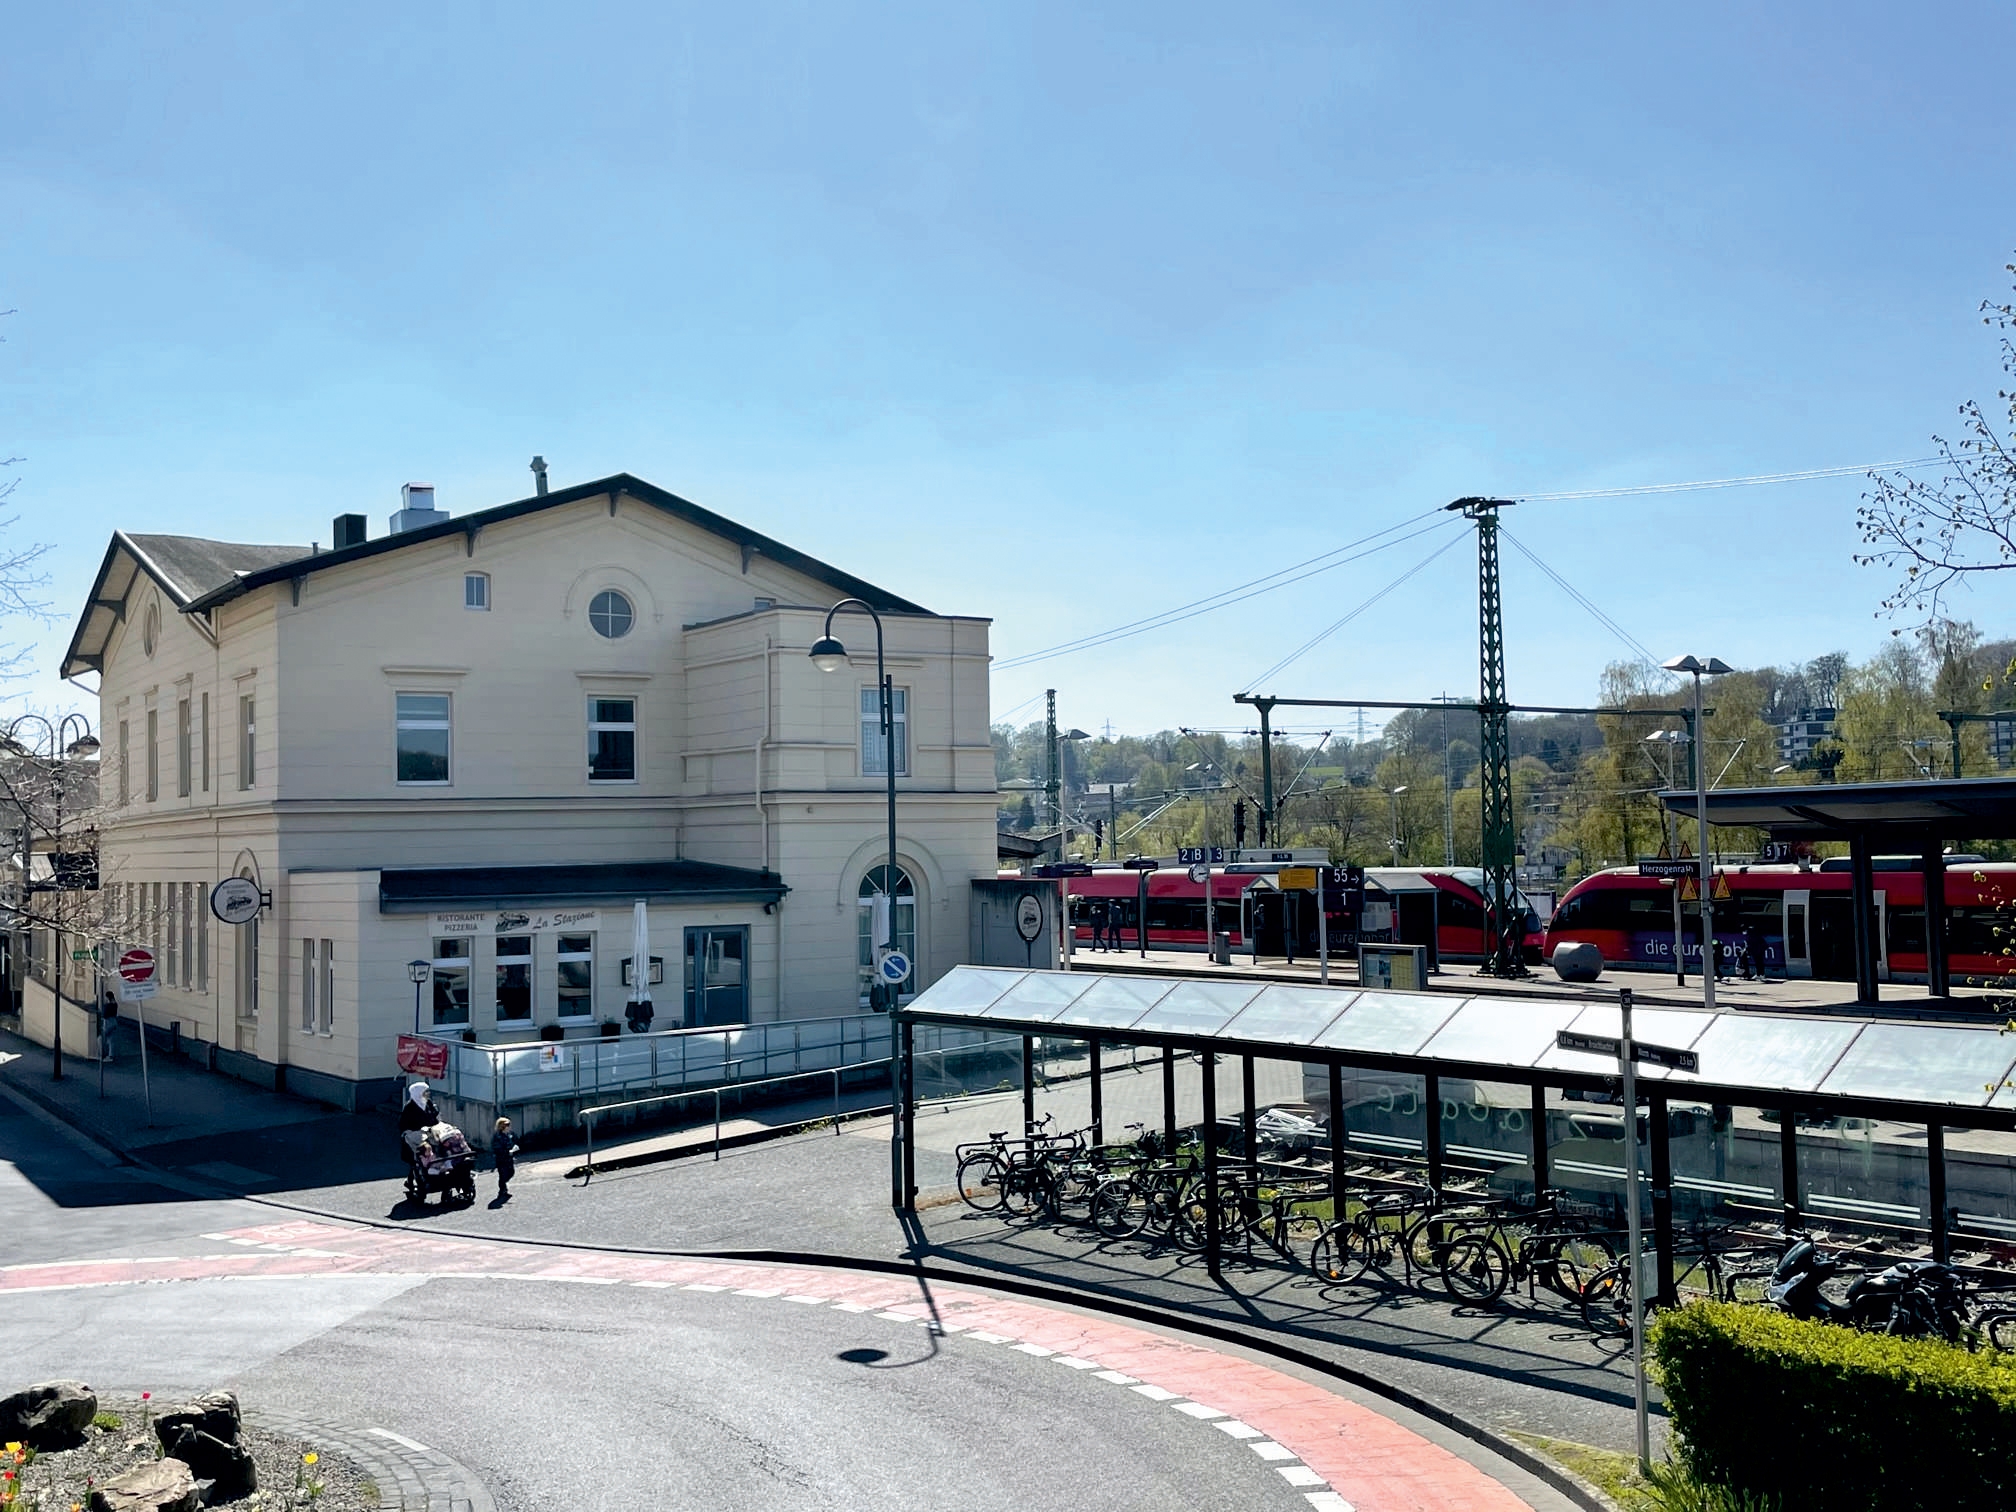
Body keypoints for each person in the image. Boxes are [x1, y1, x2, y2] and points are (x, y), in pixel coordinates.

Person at [491, 1116, 517, 1204]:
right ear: (503, 1127)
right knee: (502, 1175)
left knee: (511, 1172)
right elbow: (497, 1149)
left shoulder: (509, 1135)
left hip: (509, 1159)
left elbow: (513, 1142)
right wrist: (507, 1152)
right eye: (507, 1126)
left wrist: (514, 1149)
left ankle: (504, 1185)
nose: (509, 1127)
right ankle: (502, 1190)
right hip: (501, 1159)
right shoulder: (497, 1137)